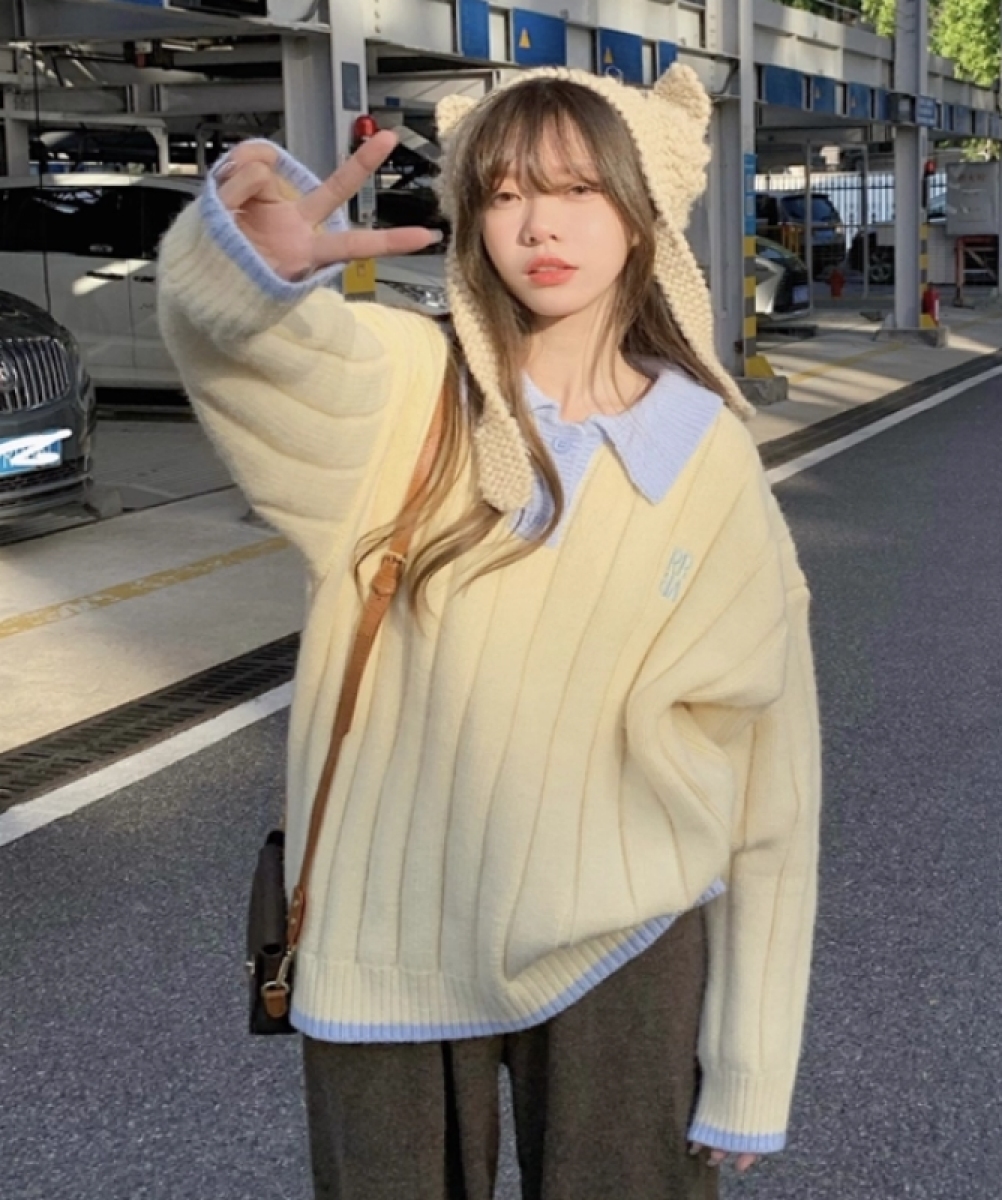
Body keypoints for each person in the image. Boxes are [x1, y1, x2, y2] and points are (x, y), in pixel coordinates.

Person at [157, 63, 821, 1200]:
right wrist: (249, 279)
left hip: (624, 939)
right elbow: (279, 363)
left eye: (577, 188)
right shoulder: (413, 387)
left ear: (645, 212)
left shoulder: (707, 456)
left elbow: (772, 777)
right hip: (386, 939)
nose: (538, 224)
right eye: (506, 193)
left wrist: (752, 1062)